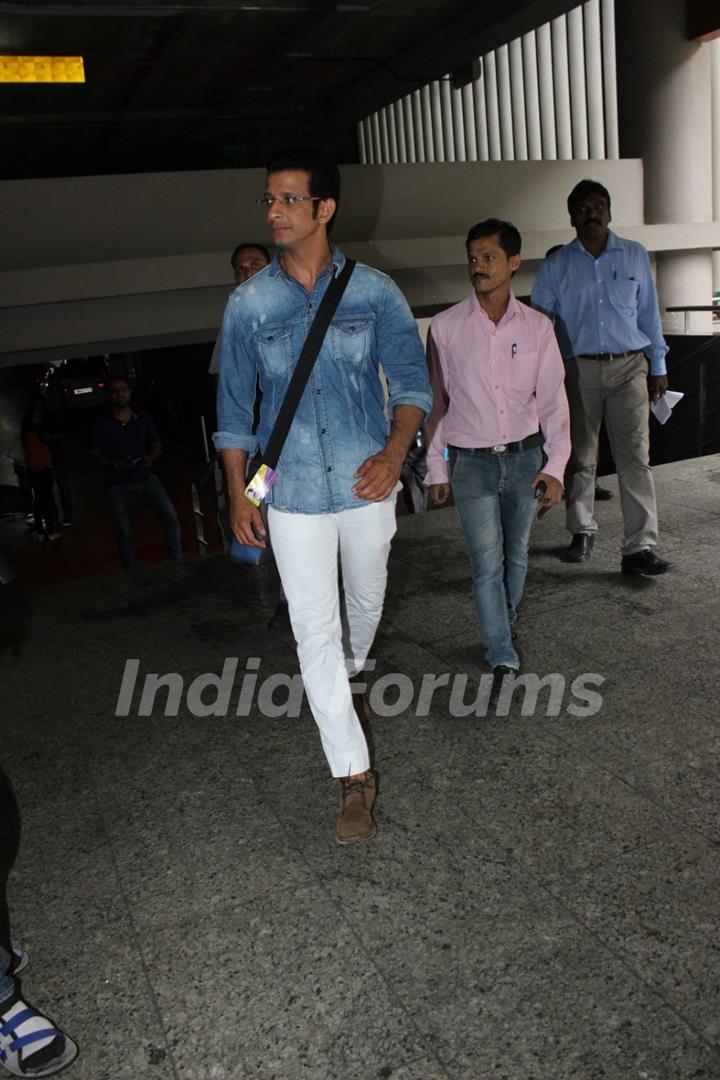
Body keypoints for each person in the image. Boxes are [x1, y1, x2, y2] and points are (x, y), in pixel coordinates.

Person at [214, 146, 431, 843]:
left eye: (286, 200)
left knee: (363, 609)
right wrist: (240, 495)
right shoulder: (249, 303)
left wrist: (396, 455)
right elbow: (232, 414)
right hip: (292, 492)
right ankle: (353, 777)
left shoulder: (374, 292)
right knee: (313, 630)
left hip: (368, 483)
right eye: (268, 200)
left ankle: (344, 688)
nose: (273, 211)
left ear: (323, 208)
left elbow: (411, 383)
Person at [425, 219, 570, 702]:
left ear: (513, 262)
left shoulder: (538, 327)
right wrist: (436, 466)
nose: (478, 267)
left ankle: (499, 625)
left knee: (515, 555)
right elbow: (436, 404)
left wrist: (555, 467)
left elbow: (553, 402)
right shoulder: (445, 328)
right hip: (472, 465)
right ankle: (500, 649)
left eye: (488, 257)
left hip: (526, 459)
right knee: (485, 563)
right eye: (472, 257)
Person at [531, 180, 672, 575]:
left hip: (630, 366)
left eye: (599, 206)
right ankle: (581, 529)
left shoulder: (634, 255)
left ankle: (639, 547)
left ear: (609, 213)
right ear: (571, 214)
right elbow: (542, 323)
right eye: (583, 207)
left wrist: (657, 365)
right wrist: (545, 377)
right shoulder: (557, 266)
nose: (592, 213)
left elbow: (648, 315)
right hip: (578, 370)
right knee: (580, 456)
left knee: (636, 459)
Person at [544, 244, 613, 504]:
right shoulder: (544, 299)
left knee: (586, 431)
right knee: (559, 431)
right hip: (554, 374)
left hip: (582, 370)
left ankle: (588, 484)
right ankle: (556, 482)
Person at [90, 377, 182, 570]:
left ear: (130, 392)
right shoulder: (102, 423)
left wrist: (150, 458)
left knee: (171, 516)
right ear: (108, 395)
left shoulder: (143, 418)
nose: (119, 393)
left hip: (146, 477)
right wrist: (114, 464)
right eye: (114, 390)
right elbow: (95, 454)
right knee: (124, 532)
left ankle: (177, 562)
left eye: (123, 389)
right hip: (118, 485)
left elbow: (156, 445)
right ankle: (130, 572)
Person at [21, 403, 61, 542]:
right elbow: (34, 456)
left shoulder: (31, 432)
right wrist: (44, 463)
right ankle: (49, 531)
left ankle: (40, 531)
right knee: (46, 501)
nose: (38, 418)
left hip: (37, 471)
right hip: (40, 471)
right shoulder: (33, 434)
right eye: (36, 416)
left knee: (39, 502)